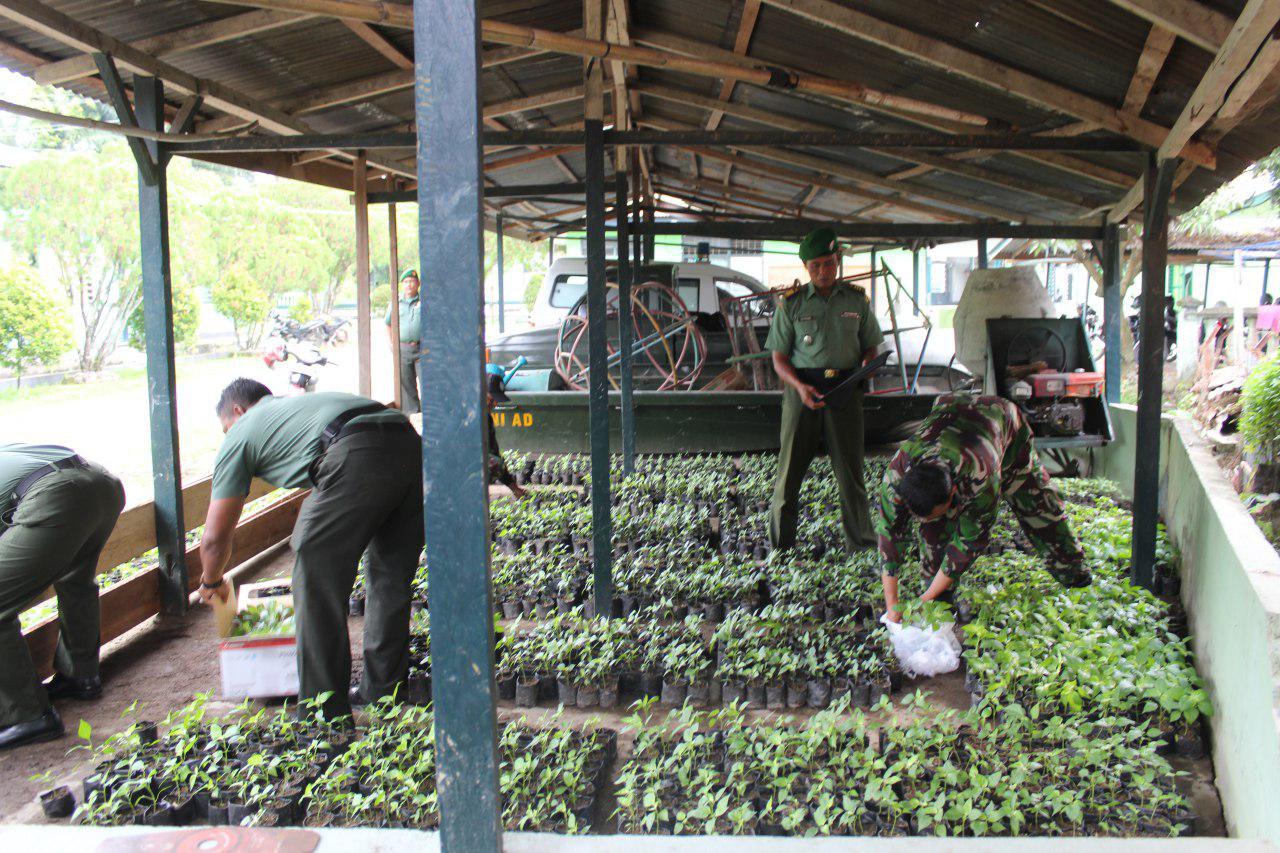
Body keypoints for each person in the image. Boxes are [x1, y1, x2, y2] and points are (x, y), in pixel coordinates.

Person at [198, 380, 422, 719]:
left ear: (238, 412)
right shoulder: (299, 408)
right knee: (390, 578)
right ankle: (383, 691)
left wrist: (212, 581)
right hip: (410, 445)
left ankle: (324, 713)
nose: (227, 434)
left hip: (355, 450)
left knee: (314, 575)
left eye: (224, 428)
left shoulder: (242, 431)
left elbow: (214, 537)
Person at [875, 394, 1091, 622]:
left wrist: (924, 598)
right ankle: (940, 605)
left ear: (953, 494)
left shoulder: (981, 476)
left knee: (1041, 509)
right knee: (934, 534)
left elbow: (969, 542)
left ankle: (1074, 574)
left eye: (940, 512)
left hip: (1002, 423)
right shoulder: (896, 476)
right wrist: (893, 606)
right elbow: (889, 535)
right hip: (950, 413)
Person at [766, 226, 884, 553]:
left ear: (838, 261)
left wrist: (865, 367)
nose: (822, 271)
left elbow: (871, 346)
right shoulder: (790, 304)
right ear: (806, 268)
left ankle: (860, 543)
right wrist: (801, 387)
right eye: (815, 265)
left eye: (828, 263)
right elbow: (778, 358)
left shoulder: (856, 301)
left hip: (845, 390)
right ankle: (781, 545)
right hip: (801, 391)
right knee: (789, 472)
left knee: (851, 473)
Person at [0, 444, 124, 750]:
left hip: (55, 495)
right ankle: (80, 674)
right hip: (101, 483)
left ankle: (27, 716)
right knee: (75, 579)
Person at [486, 366, 527, 498]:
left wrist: (514, 488)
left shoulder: (486, 418)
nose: (494, 404)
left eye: (495, 401)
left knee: (494, 462)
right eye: (491, 399)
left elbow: (494, 454)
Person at [386, 268, 422, 414]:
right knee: (407, 387)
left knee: (428, 383)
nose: (409, 285)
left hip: (423, 349)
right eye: (406, 282)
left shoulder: (425, 301)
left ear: (418, 283)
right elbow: (387, 323)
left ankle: (431, 417)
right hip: (403, 349)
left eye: (412, 281)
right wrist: (391, 344)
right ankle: (414, 416)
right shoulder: (396, 302)